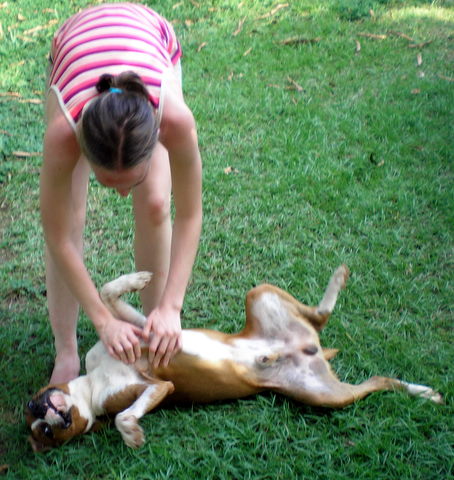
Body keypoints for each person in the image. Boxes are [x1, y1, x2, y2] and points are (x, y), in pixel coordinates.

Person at [41, 3, 202, 384]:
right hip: (74, 51)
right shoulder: (64, 133)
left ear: (156, 142)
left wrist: (172, 307)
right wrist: (103, 321)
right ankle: (65, 352)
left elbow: (189, 214)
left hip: (151, 37)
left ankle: (154, 329)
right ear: (83, 150)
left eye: (130, 180)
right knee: (71, 215)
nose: (122, 194)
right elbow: (57, 235)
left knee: (157, 203)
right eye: (108, 182)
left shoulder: (173, 120)